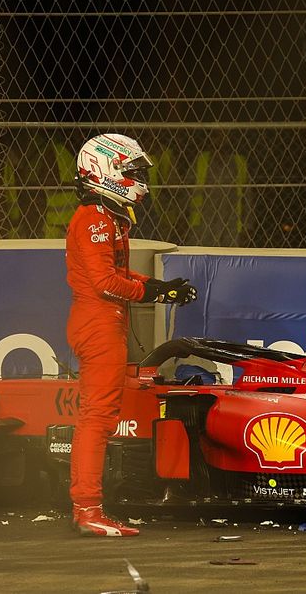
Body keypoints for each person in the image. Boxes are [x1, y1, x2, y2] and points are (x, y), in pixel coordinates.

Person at [66, 133, 196, 537]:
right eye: (132, 171)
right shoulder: (93, 220)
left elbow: (119, 275)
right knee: (98, 418)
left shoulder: (108, 216)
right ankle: (87, 509)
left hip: (107, 319)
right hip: (98, 321)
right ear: (107, 171)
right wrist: (154, 291)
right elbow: (106, 282)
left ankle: (88, 507)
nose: (139, 179)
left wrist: (161, 287)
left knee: (100, 416)